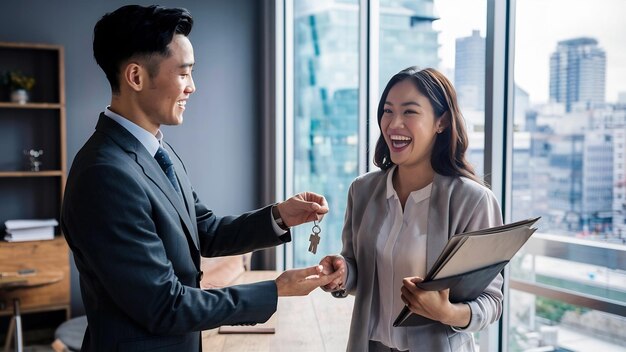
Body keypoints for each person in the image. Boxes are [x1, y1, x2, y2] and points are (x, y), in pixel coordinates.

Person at [60, 5, 342, 351]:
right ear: (136, 77)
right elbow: (164, 304)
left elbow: (203, 230)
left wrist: (280, 216)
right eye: (183, 74)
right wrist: (276, 289)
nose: (192, 87)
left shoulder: (157, 152)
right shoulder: (104, 175)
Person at [319, 67, 503, 352]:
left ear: (441, 122)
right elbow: (358, 270)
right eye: (388, 111)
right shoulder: (363, 190)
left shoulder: (474, 201)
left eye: (409, 112)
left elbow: (491, 302)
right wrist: (342, 273)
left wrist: (447, 313)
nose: (394, 123)